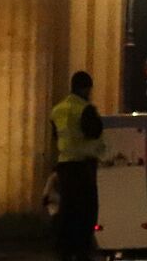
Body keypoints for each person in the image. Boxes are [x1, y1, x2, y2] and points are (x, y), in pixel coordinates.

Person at [49, 72, 105, 261]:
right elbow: (94, 132)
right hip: (83, 166)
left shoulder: (57, 110)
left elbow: (56, 136)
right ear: (86, 88)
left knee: (67, 210)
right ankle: (82, 251)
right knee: (86, 212)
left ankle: (64, 251)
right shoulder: (84, 108)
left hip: (64, 166)